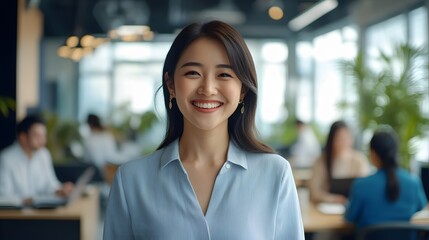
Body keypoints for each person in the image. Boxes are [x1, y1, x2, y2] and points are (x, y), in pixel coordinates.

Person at [103, 20, 304, 239]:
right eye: (192, 73)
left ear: (243, 89)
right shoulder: (131, 181)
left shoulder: (275, 173)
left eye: (224, 75)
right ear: (171, 84)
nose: (207, 89)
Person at [345, 130, 427, 230]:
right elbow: (420, 207)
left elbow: (349, 217)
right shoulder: (413, 182)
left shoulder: (361, 185)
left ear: (373, 154)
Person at [0, 115, 74, 203]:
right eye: (37, 136)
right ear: (23, 137)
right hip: (16, 213)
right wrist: (23, 200)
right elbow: (3, 196)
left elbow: (50, 183)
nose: (42, 140)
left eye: (44, 136)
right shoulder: (6, 159)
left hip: (39, 210)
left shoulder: (43, 154)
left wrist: (59, 190)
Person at [309, 120, 370, 204]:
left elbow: (365, 189)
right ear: (331, 139)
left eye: (346, 138)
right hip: (326, 209)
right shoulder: (321, 160)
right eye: (339, 138)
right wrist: (332, 199)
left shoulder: (359, 160)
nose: (343, 142)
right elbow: (314, 192)